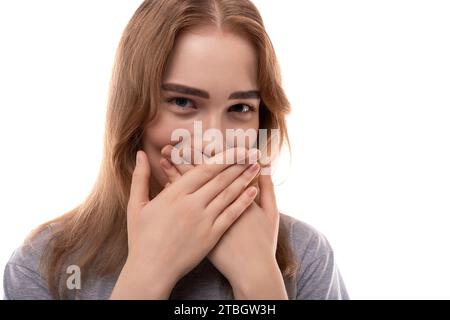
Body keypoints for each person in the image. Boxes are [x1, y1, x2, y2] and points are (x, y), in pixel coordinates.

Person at [3, 0, 349, 300]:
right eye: (183, 102)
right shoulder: (47, 264)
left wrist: (260, 282)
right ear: (133, 115)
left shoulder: (305, 255)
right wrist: (148, 273)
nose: (212, 141)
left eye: (240, 108)